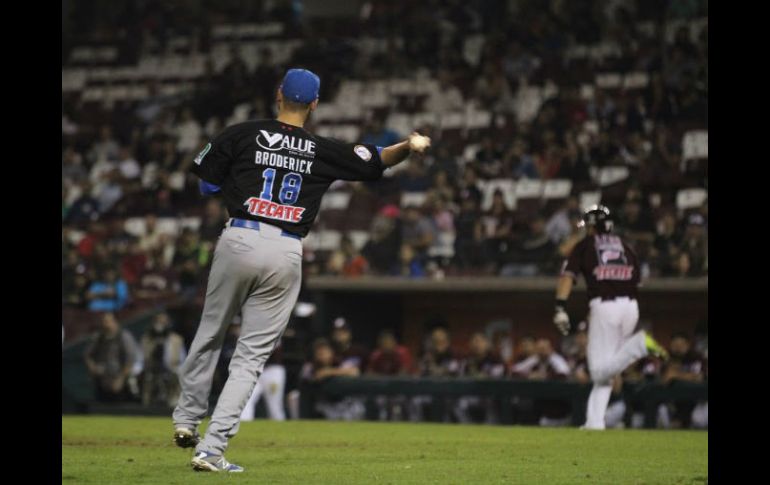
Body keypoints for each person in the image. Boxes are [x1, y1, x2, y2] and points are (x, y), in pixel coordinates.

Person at [172, 68, 431, 472]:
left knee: (209, 332)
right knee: (250, 357)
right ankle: (211, 449)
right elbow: (378, 159)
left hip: (239, 235)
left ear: (278, 95)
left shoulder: (241, 133)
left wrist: (247, 184)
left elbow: (206, 183)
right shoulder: (321, 148)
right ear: (314, 104)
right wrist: (409, 145)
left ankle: (186, 420)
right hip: (285, 248)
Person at [553, 205, 668, 430]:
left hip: (605, 305)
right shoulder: (626, 246)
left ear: (592, 227)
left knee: (597, 371)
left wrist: (560, 306)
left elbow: (567, 276)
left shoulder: (585, 244)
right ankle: (595, 422)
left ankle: (639, 345)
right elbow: (637, 281)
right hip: (630, 306)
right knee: (607, 369)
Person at [84, 312, 141, 402]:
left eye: (108, 321)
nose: (105, 324)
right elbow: (88, 355)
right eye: (104, 321)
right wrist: (93, 368)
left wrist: (121, 379)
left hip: (120, 378)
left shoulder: (124, 336)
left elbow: (130, 359)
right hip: (102, 378)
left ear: (115, 322)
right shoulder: (99, 337)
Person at [140, 312, 186, 407]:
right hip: (152, 368)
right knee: (147, 376)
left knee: (177, 374)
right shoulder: (147, 338)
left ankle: (174, 400)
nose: (161, 324)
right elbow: (142, 358)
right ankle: (147, 402)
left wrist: (174, 367)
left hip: (172, 368)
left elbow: (182, 359)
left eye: (164, 322)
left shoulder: (176, 339)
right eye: (158, 321)